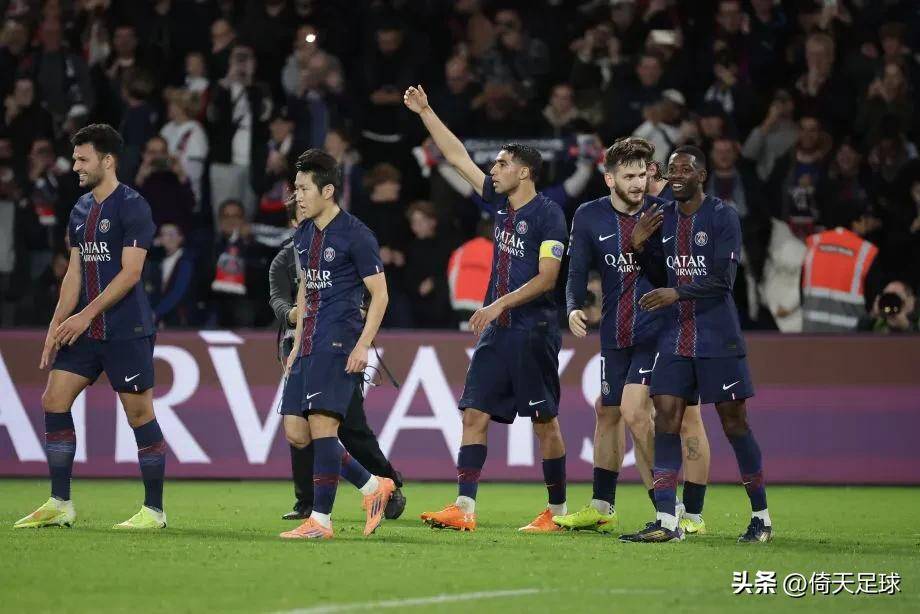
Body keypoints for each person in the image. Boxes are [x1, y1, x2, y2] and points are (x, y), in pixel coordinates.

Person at [405, 85, 569, 533]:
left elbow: (547, 278)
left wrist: (498, 304)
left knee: (544, 422)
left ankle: (557, 513)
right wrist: (426, 111)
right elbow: (457, 156)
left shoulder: (549, 215)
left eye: (501, 164)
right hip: (498, 330)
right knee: (474, 413)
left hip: (533, 330)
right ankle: (464, 507)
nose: (493, 170)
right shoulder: (499, 202)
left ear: (525, 172)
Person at [14, 124, 166, 530]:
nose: (76, 166)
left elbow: (131, 273)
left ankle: (154, 511)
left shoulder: (133, 206)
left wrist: (85, 315)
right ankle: (60, 503)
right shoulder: (80, 209)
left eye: (83, 159)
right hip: (86, 331)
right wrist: (56, 323)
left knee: (139, 414)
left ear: (107, 161)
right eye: (75, 158)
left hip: (126, 329)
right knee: (53, 399)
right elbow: (74, 273)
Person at [557, 137, 709, 535]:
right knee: (608, 411)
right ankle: (604, 506)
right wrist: (572, 307)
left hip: (659, 331)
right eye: (629, 176)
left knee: (638, 412)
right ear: (610, 179)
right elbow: (577, 271)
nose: (638, 183)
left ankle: (672, 511)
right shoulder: (588, 216)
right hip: (615, 332)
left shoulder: (666, 214)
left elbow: (681, 273)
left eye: (642, 174)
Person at [624, 145, 772, 543]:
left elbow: (723, 281)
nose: (676, 175)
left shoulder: (723, 216)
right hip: (675, 336)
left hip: (717, 336)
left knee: (734, 423)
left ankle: (761, 517)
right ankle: (667, 521)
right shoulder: (664, 217)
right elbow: (661, 275)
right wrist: (638, 247)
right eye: (672, 169)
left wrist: (676, 293)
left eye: (685, 169)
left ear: (701, 176)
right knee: (666, 418)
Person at [278, 149, 395, 540]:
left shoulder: (356, 235)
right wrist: (296, 344)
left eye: (304, 189)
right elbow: (306, 290)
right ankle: (373, 486)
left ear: (327, 191)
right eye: (296, 188)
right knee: (297, 432)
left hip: (339, 339)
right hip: (308, 342)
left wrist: (363, 346)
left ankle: (320, 521)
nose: (297, 196)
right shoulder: (303, 233)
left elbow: (380, 295)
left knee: (324, 427)